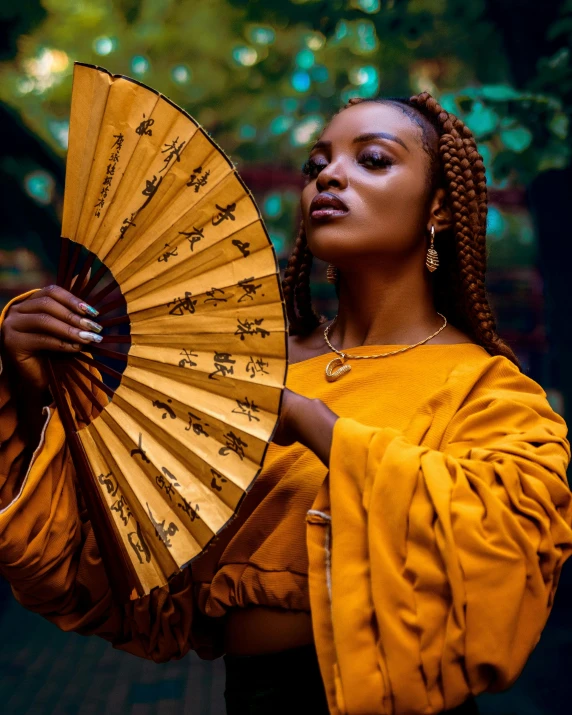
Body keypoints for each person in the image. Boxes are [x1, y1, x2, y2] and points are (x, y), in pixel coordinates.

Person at [1, 92, 571, 715]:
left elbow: (500, 546)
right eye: (316, 165)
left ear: (438, 206)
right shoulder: (250, 371)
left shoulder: (486, 388)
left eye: (374, 159)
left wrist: (312, 421)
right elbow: (116, 566)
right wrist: (33, 394)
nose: (329, 175)